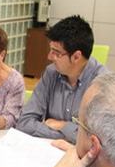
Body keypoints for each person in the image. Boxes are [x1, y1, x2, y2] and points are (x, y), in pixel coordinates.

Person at [16, 15, 108, 143]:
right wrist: (70, 134)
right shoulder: (51, 73)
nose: (49, 56)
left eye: (56, 52)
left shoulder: (102, 84)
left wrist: (63, 126)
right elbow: (24, 123)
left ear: (76, 57)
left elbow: (97, 139)